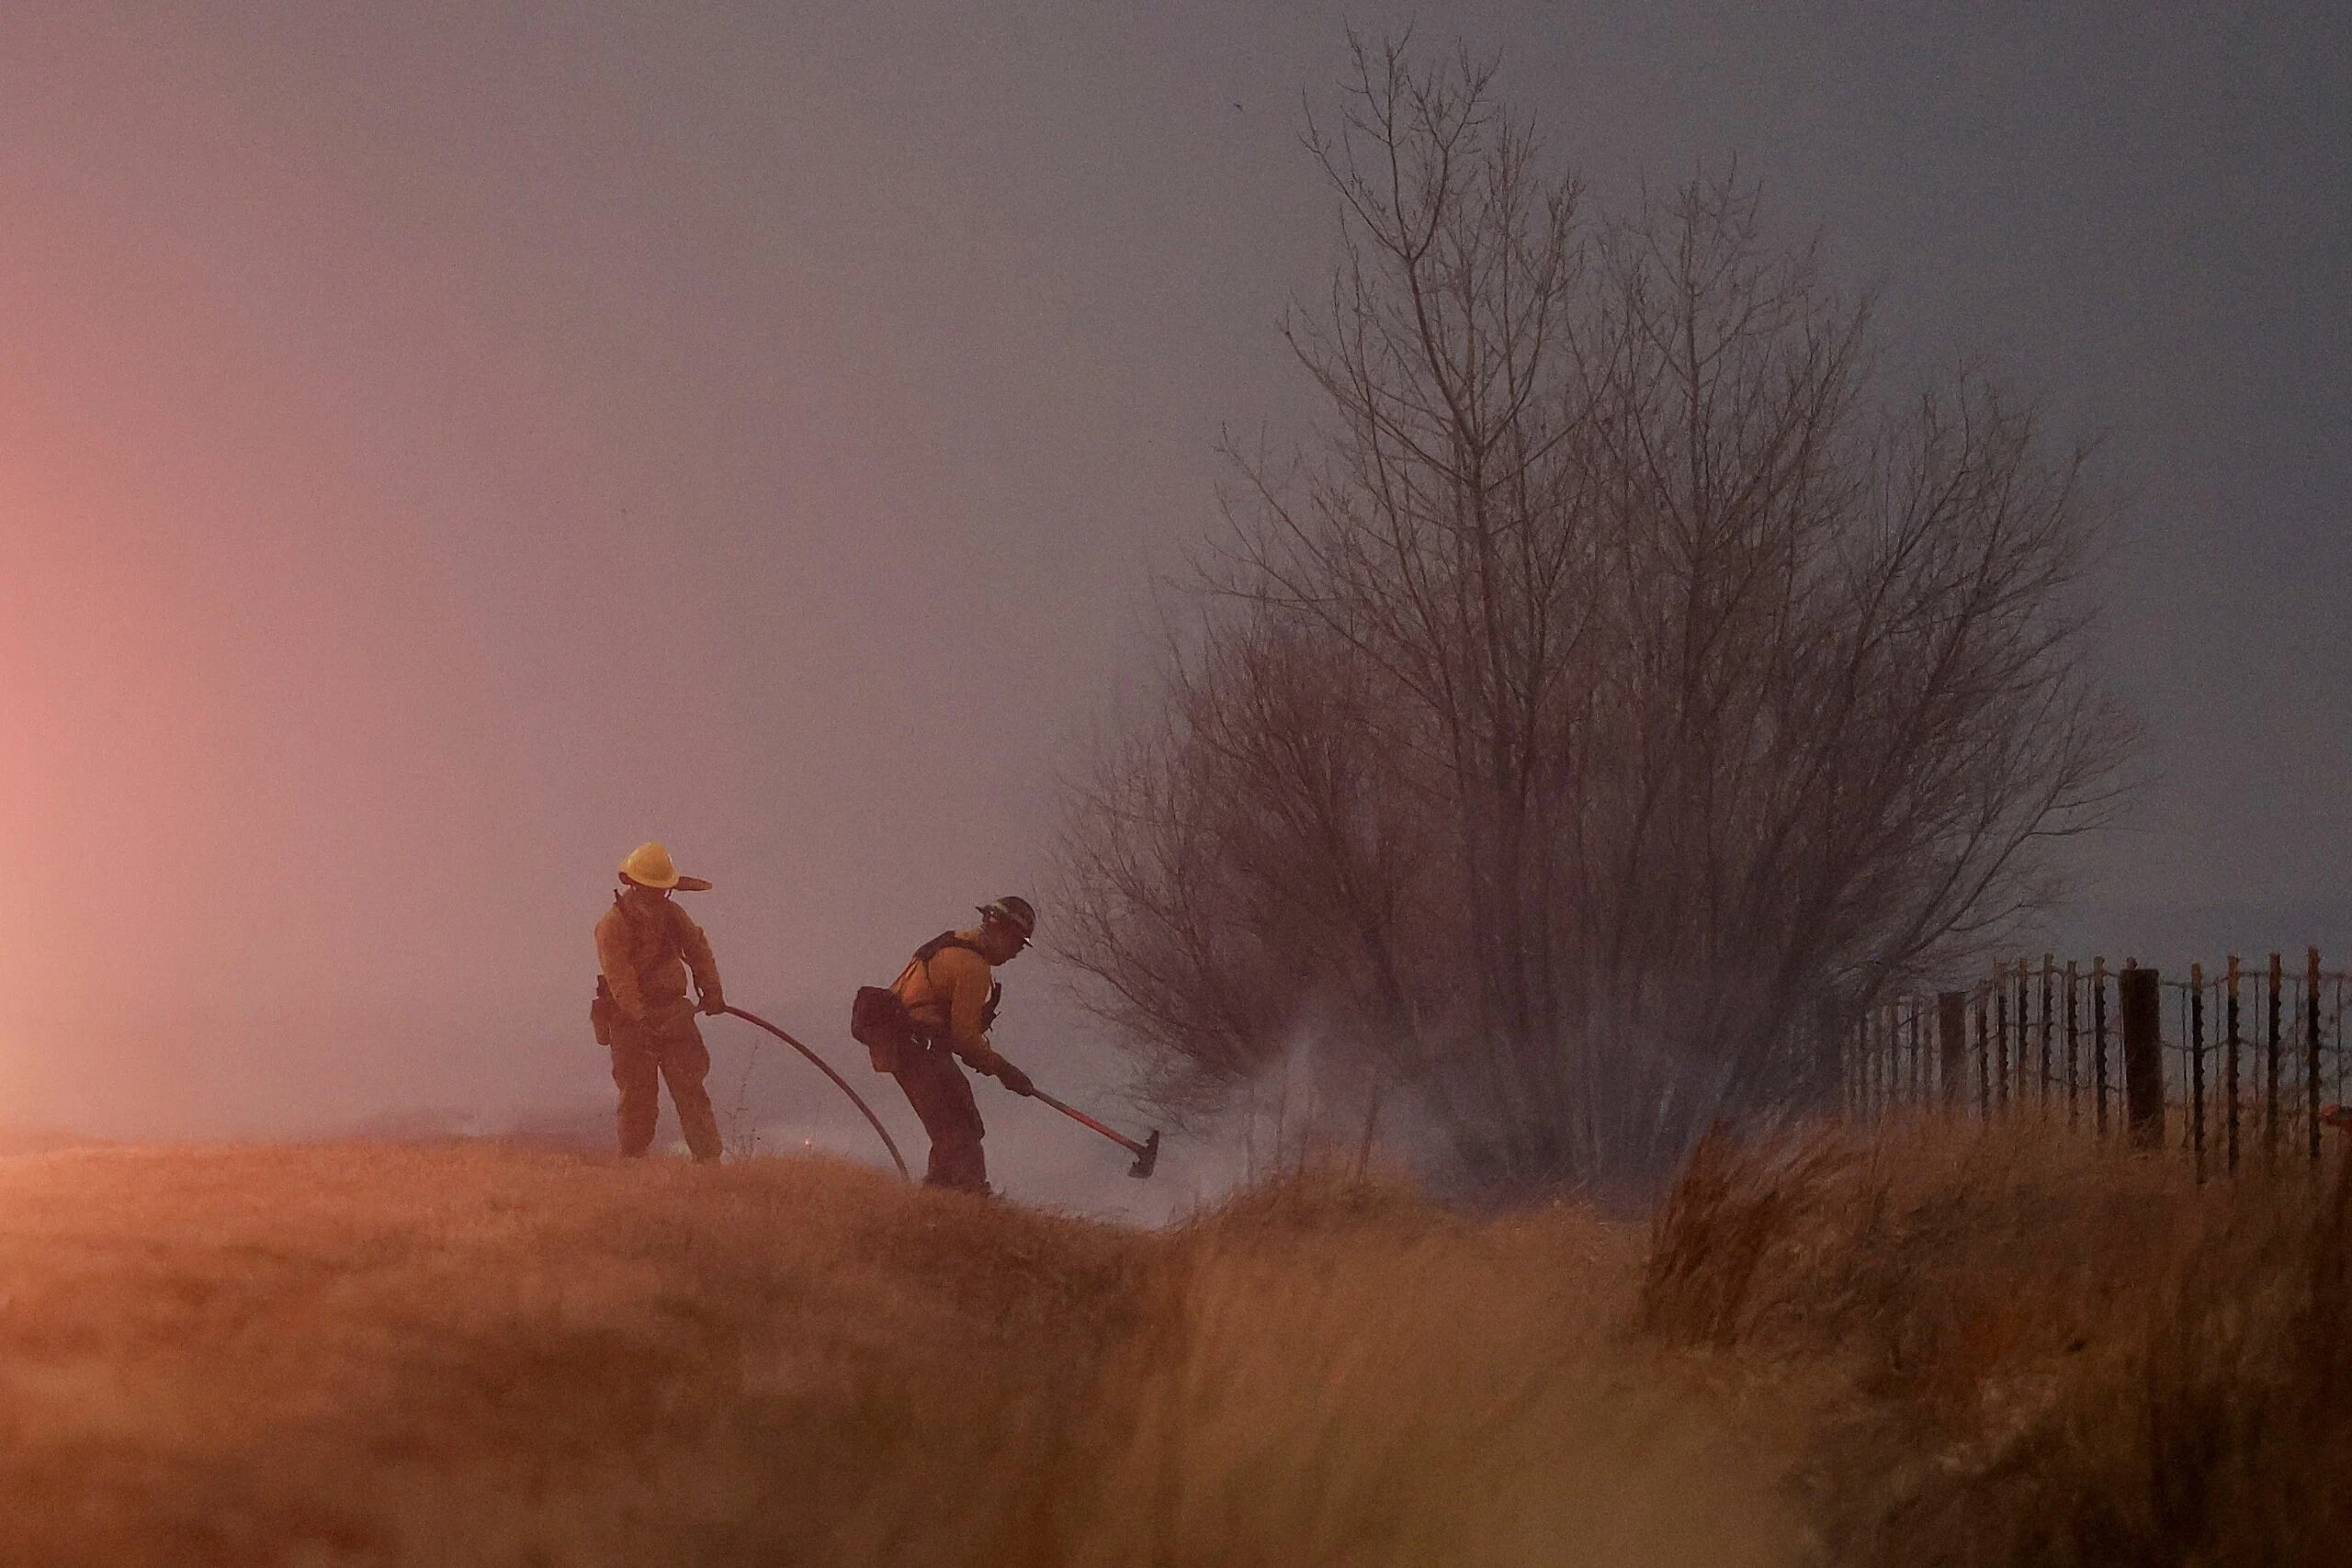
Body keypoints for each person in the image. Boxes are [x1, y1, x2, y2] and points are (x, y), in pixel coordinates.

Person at [885, 896, 1038, 1192]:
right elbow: (965, 1038)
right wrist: (1005, 1070)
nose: (1017, 953)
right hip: (918, 1048)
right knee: (960, 1128)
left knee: (954, 1122)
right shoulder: (973, 967)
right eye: (1018, 944)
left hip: (907, 1045)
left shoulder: (950, 944)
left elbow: (952, 1029)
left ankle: (940, 1194)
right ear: (1001, 931)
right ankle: (968, 1196)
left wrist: (979, 1056)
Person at [591, 841, 726, 1161]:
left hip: (674, 1013)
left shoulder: (672, 915)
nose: (657, 896)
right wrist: (640, 1019)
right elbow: (620, 978)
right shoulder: (612, 926)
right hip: (630, 1021)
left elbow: (698, 950)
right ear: (634, 885)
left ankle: (709, 1163)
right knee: (638, 1098)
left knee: (691, 1090)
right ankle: (633, 1163)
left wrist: (712, 992)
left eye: (661, 891)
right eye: (651, 889)